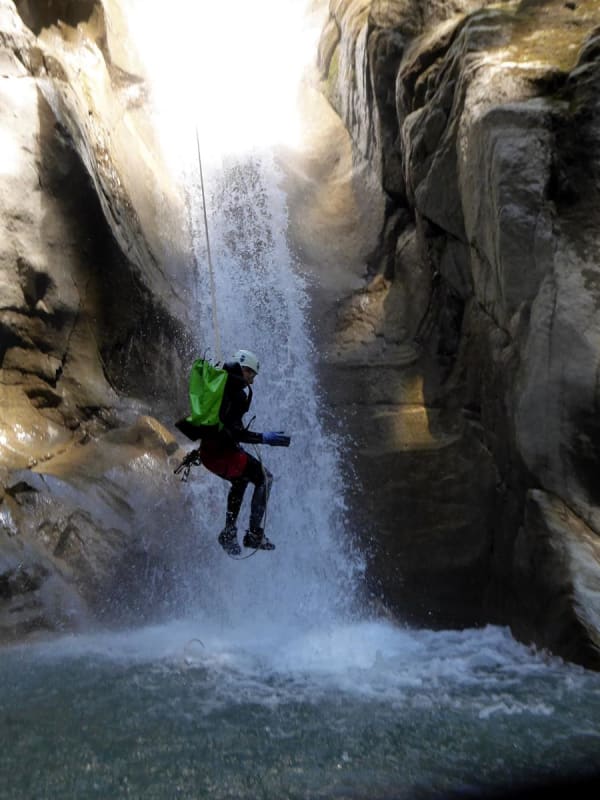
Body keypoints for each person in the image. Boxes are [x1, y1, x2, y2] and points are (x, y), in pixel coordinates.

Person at [194, 349, 290, 555]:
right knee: (265, 478)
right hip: (223, 455)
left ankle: (229, 532)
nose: (252, 382)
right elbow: (235, 433)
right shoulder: (235, 391)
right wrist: (264, 438)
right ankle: (254, 534)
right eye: (252, 375)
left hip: (208, 455)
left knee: (242, 479)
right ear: (244, 369)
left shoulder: (218, 383)